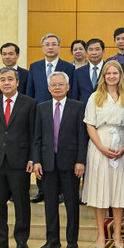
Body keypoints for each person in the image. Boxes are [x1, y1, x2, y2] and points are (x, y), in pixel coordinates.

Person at [0, 67, 36, 248]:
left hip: (19, 161)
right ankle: (0, 240)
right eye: (3, 79)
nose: (6, 83)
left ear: (17, 82)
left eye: (10, 79)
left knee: (21, 202)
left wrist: (32, 158)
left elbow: (34, 134)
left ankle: (21, 240)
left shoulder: (29, 103)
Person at [32, 71, 87, 248]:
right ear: (48, 88)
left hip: (71, 164)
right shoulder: (41, 107)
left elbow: (82, 137)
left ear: (68, 87)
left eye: (61, 84)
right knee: (50, 204)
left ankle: (72, 241)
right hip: (47, 164)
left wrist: (80, 160)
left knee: (71, 203)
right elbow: (37, 138)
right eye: (53, 85)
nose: (57, 87)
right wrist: (37, 161)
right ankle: (52, 240)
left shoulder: (78, 107)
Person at [83, 61, 124, 248]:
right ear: (103, 76)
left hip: (121, 145)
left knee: (119, 191)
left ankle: (118, 235)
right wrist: (101, 147)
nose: (112, 76)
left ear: (120, 75)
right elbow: (90, 125)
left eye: (115, 73)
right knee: (100, 190)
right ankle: (101, 235)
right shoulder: (94, 97)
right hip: (99, 145)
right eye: (108, 73)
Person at [26, 33, 75, 203]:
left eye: (54, 44)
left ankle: (61, 191)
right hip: (41, 115)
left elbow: (73, 91)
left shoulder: (69, 67)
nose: (50, 47)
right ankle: (42, 190)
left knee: (60, 150)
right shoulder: (34, 67)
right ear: (42, 47)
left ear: (59, 47)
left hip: (63, 113)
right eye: (47, 44)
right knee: (42, 150)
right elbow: (30, 93)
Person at [71, 38, 106, 103]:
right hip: (84, 110)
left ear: (103, 51)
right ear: (86, 52)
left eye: (97, 49)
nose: (94, 53)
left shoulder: (109, 69)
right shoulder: (78, 72)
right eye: (91, 50)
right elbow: (75, 96)